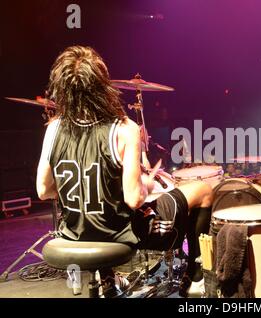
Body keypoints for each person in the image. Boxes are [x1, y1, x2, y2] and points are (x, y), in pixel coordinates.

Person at [35, 46, 212, 297]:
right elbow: (134, 199)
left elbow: (43, 190)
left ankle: (108, 280)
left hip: (73, 233)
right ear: (102, 85)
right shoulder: (124, 128)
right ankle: (195, 278)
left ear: (62, 89)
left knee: (100, 211)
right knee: (203, 191)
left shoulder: (53, 129)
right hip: (123, 234)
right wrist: (146, 184)